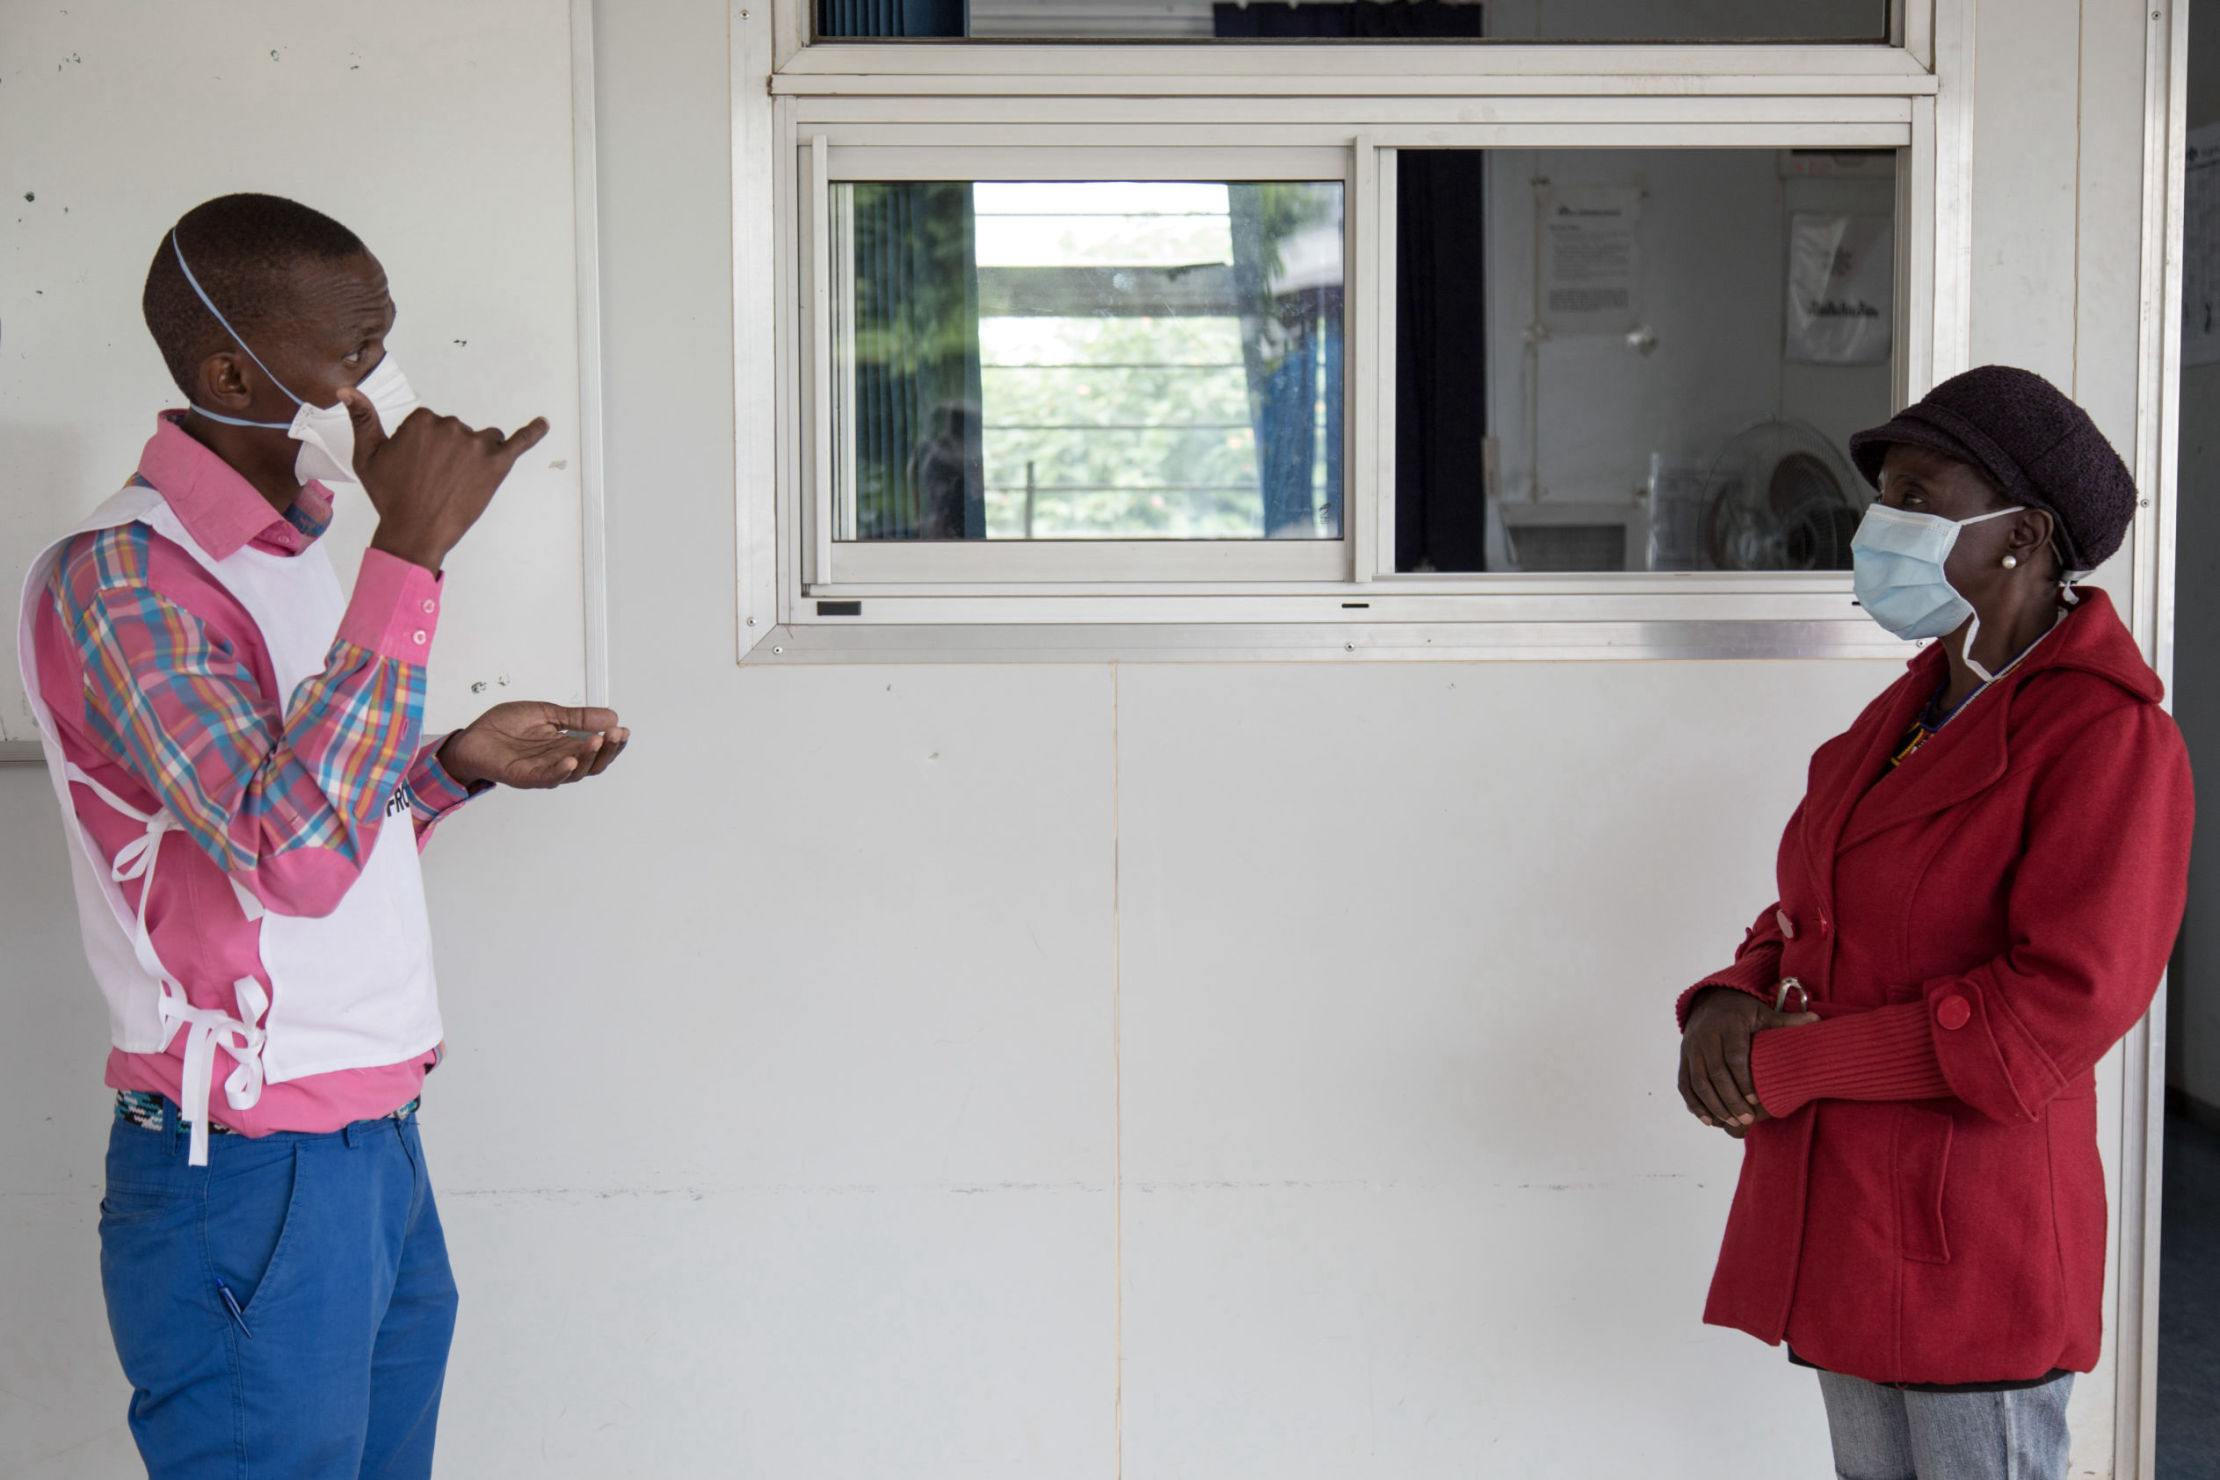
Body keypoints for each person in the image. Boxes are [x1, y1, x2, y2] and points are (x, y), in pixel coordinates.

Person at [14, 193, 629, 1479]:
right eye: (351, 346)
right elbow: (287, 855)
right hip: (249, 1170)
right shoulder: (124, 577)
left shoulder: (292, 548)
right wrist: (413, 551)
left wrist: (452, 768)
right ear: (234, 370)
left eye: (383, 330)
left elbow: (320, 820)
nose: (381, 369)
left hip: (370, 1146)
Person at [1674, 365, 2193, 1480]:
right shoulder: (1913, 706)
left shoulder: (2109, 738)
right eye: (1883, 497)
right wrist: (1733, 992)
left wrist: (1803, 1062)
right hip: (1853, 1215)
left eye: (1918, 494)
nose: (1881, 524)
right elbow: (1820, 897)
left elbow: (2053, 1012)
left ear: (2025, 536)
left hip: (1974, 1238)